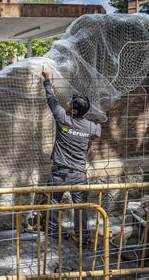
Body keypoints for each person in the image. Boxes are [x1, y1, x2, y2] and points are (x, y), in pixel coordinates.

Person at [42, 68, 101, 247]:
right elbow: (97, 132)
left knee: (53, 202)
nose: (67, 103)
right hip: (78, 175)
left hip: (60, 173)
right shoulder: (91, 127)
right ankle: (82, 239)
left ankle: (52, 232)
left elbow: (51, 100)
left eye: (70, 103)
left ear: (74, 110)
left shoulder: (63, 119)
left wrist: (46, 80)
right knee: (80, 208)